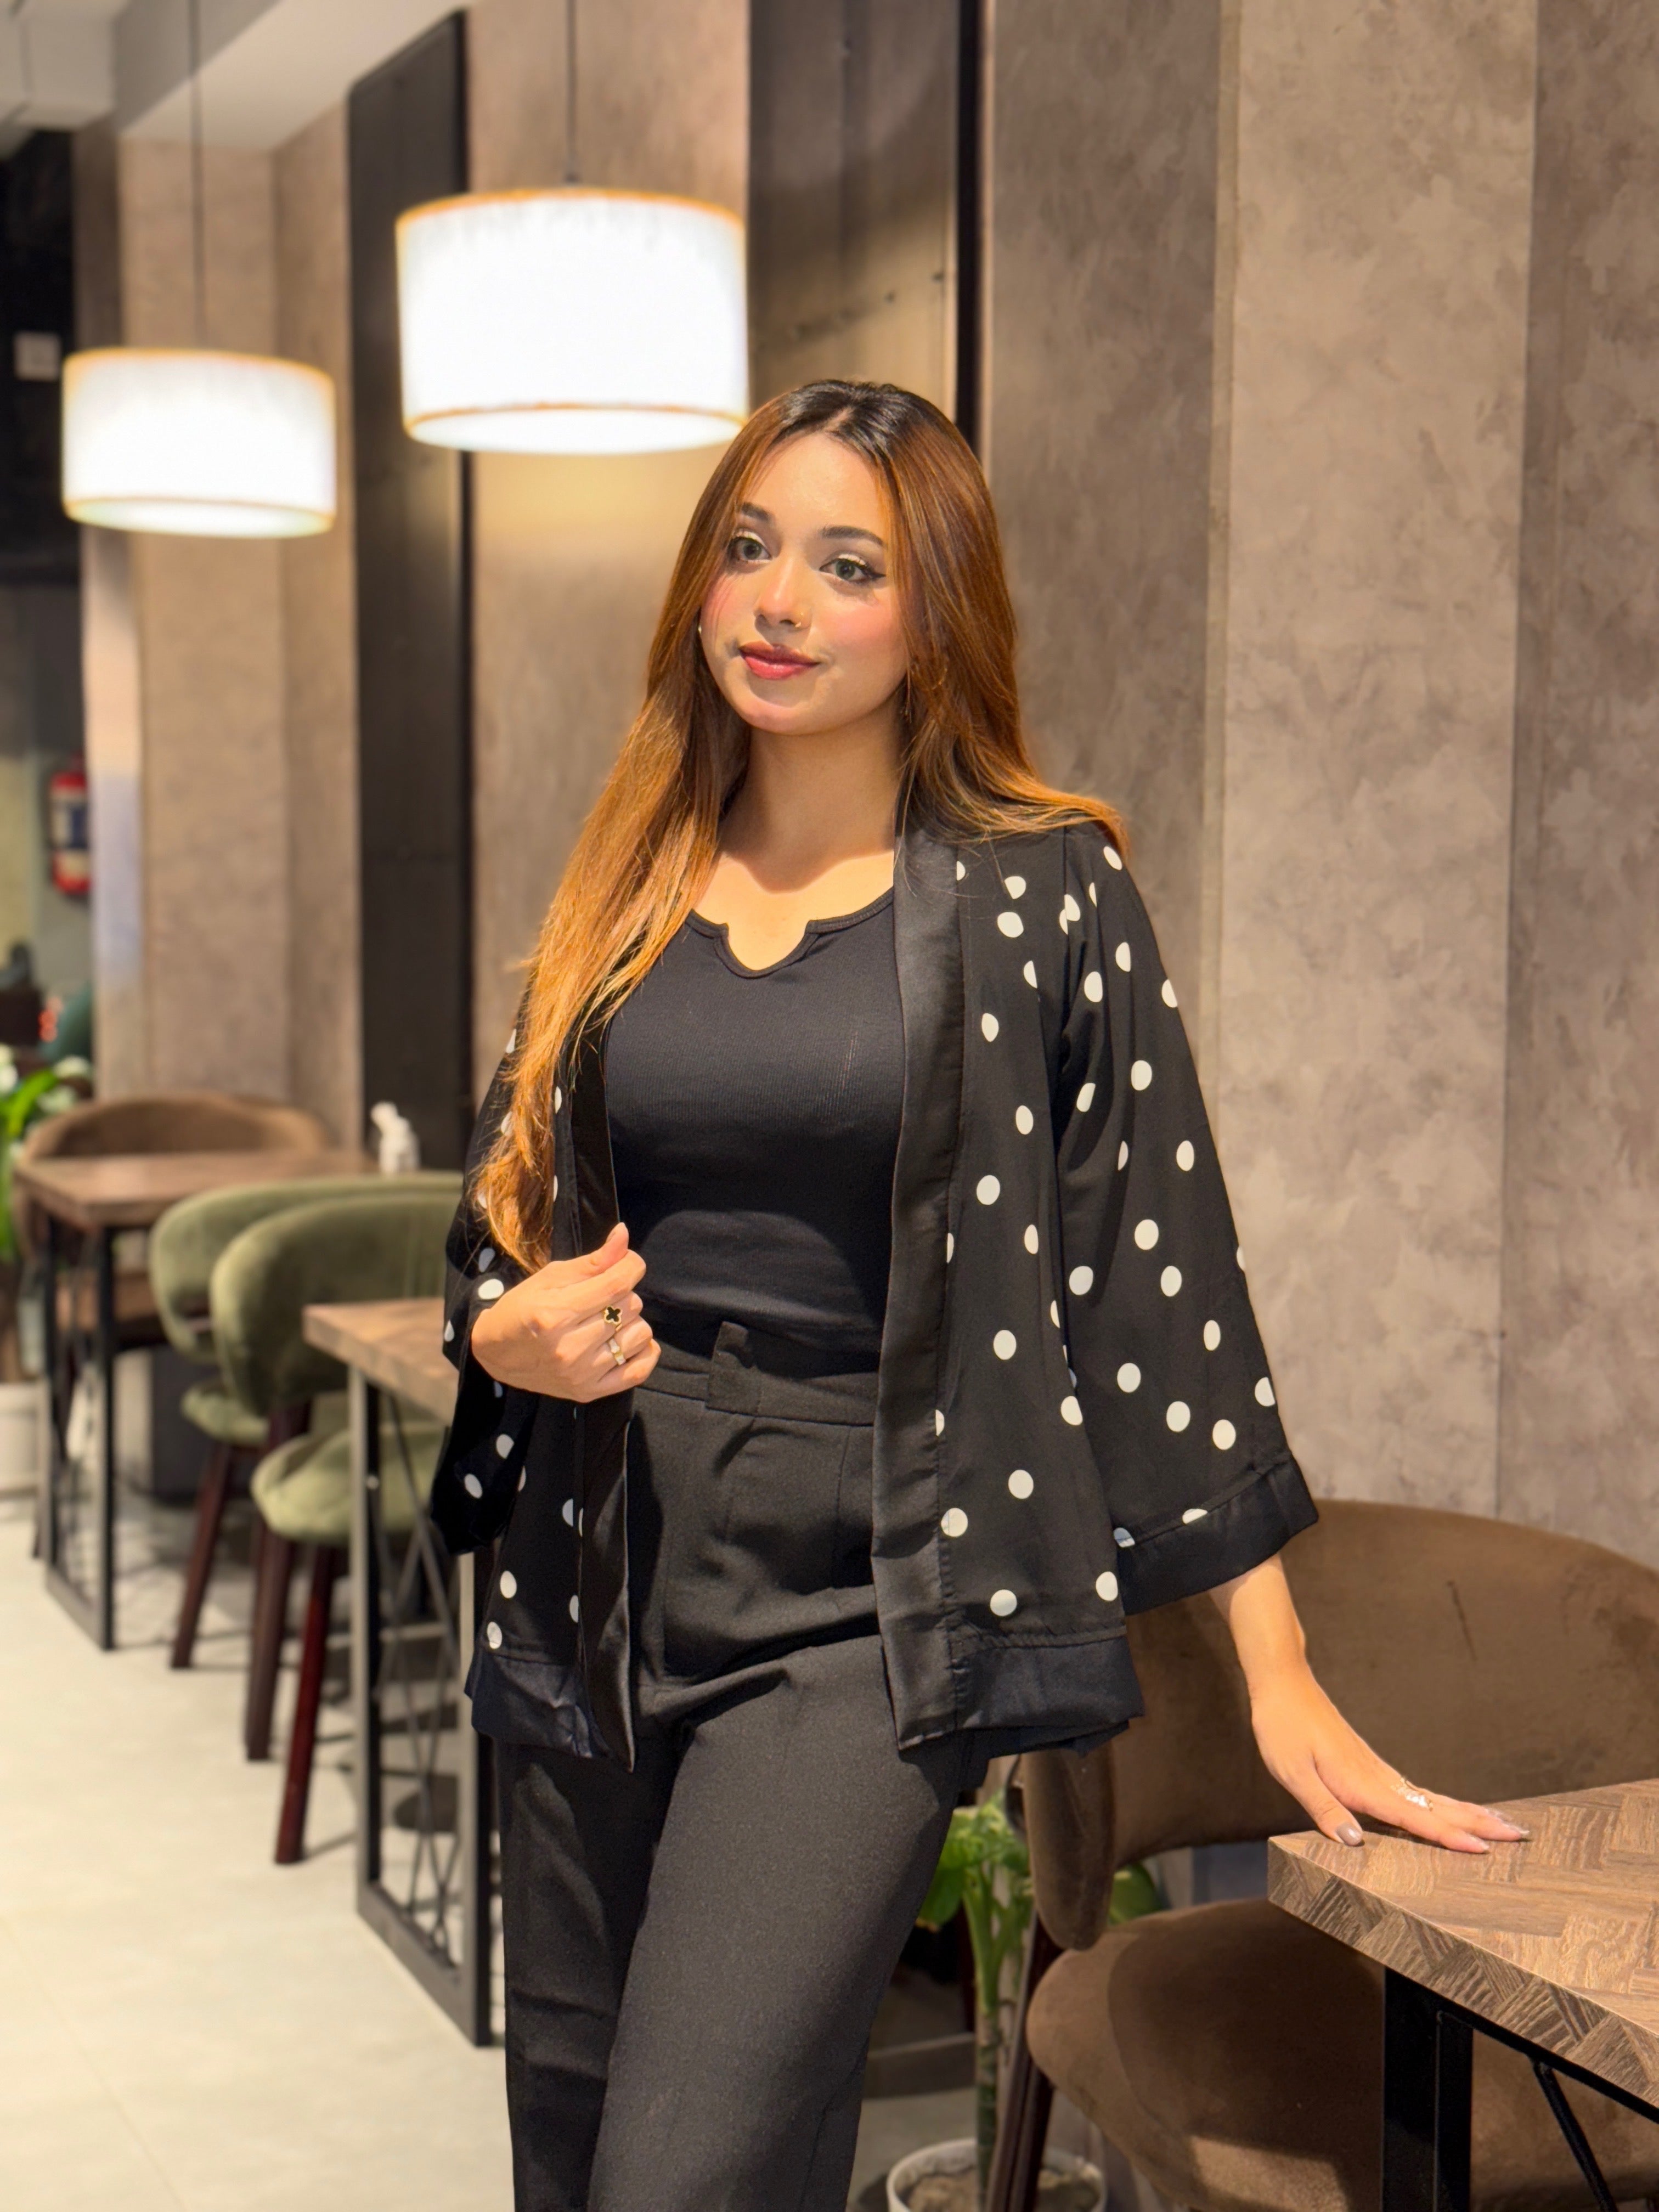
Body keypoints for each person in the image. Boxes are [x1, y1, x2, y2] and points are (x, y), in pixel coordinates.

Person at [430, 380, 1527, 2212]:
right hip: (601, 1532)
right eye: (749, 548)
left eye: (846, 565)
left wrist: (1279, 1672)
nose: (779, 601)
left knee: (681, 2171)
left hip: (868, 1585)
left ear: (934, 613)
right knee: (570, 2137)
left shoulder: (1044, 899)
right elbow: (499, 1202)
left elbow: (1159, 1299)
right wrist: (503, 1332)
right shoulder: (628, 872)